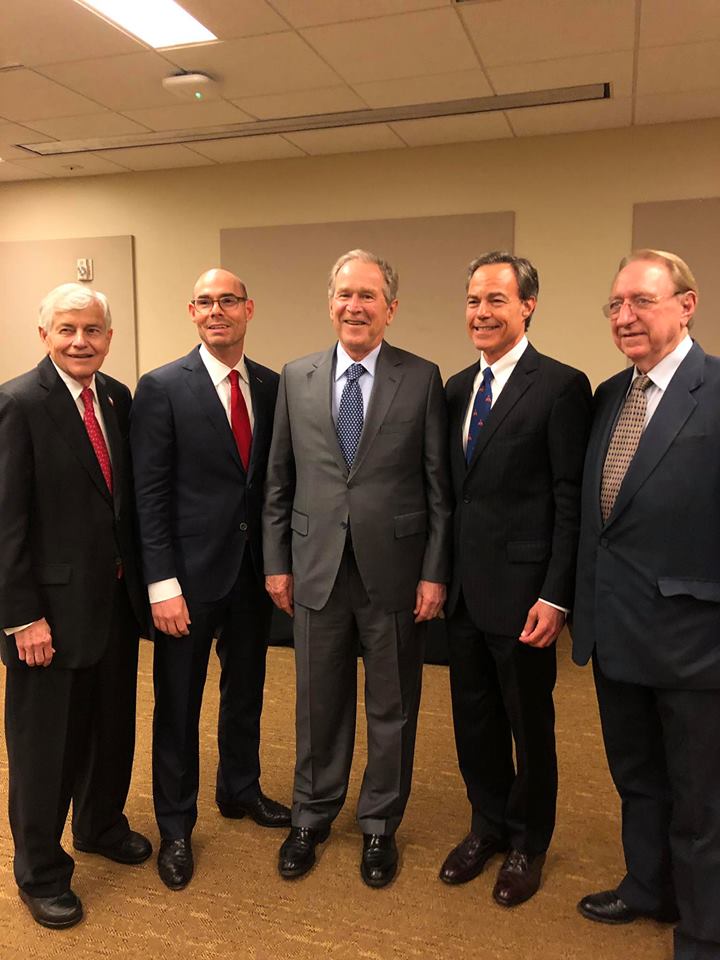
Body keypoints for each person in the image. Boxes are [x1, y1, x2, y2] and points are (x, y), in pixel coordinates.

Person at [263, 249, 451, 887]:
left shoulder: (422, 378)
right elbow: (278, 481)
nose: (355, 306)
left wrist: (433, 572)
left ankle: (378, 824)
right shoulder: (297, 375)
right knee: (317, 701)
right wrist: (275, 564)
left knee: (393, 705)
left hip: (394, 572)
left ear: (391, 309)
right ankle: (311, 815)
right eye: (345, 293)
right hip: (315, 567)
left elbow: (436, 490)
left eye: (369, 296)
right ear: (330, 301)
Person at [573, 250, 720, 960]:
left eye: (641, 301)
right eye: (615, 305)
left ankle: (704, 929)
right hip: (618, 634)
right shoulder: (609, 396)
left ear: (686, 305)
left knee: (702, 801)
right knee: (637, 780)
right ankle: (647, 887)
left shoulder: (717, 390)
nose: (624, 316)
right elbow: (599, 522)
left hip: (697, 643)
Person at [130, 268, 289, 892]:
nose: (216, 310)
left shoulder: (273, 387)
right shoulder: (163, 387)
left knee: (246, 689)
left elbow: (274, 484)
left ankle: (239, 788)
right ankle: (175, 825)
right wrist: (161, 584)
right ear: (191, 311)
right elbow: (149, 495)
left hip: (252, 576)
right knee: (178, 705)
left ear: (249, 308)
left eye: (228, 300)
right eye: (205, 301)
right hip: (187, 583)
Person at [441, 252, 591, 907]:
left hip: (528, 597)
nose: (481, 312)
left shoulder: (560, 386)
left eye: (496, 300)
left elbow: (568, 498)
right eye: (474, 300)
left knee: (530, 725)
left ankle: (529, 842)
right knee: (473, 721)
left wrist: (556, 595)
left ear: (527, 305)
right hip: (464, 595)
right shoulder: (454, 390)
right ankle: (488, 825)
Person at [0, 283, 151, 929]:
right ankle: (40, 872)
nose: (80, 341)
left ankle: (99, 824)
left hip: (112, 603)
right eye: (67, 330)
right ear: (45, 336)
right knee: (45, 750)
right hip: (47, 617)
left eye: (92, 330)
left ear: (109, 337)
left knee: (110, 728)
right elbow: (5, 523)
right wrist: (21, 616)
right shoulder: (17, 403)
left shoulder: (115, 396)